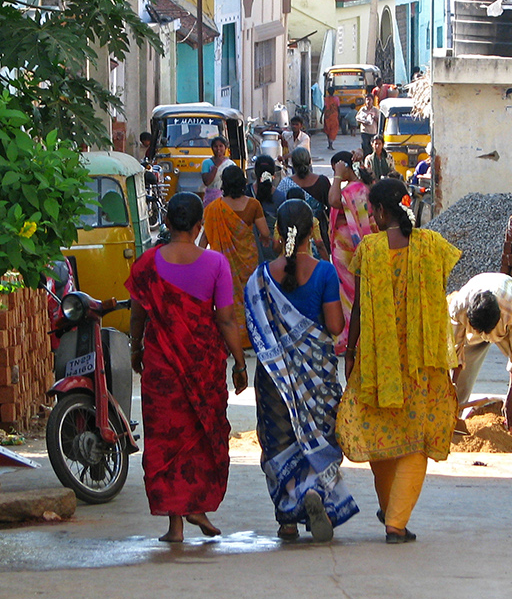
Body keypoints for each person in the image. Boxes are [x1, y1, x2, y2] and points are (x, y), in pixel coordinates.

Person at [336, 178, 461, 543]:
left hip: (379, 363)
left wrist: (351, 350)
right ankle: (395, 519)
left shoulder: (370, 249)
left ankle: (391, 508)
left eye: (373, 210)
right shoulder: (432, 246)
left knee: (379, 431)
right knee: (417, 439)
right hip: (423, 363)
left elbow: (357, 308)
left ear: (381, 211)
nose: (371, 216)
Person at [126, 192, 249, 543]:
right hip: (203, 365)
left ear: (165, 224)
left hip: (161, 368)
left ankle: (176, 524)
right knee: (200, 435)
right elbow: (226, 321)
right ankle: (196, 506)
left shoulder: (147, 264)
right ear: (198, 227)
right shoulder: (215, 264)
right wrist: (240, 364)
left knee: (166, 440)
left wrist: (136, 347)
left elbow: (138, 314)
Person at [245, 200, 358, 542]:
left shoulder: (260, 278)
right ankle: (314, 493)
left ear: (277, 232)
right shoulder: (324, 272)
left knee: (278, 441)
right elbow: (336, 326)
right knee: (320, 436)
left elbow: (255, 331)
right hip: (317, 375)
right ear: (313, 231)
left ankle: (287, 518)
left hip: (274, 378)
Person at [448, 273, 512, 451]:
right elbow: (455, 352)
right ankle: (451, 422)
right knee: (462, 373)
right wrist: (451, 391)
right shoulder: (458, 307)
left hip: (511, 300)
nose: (486, 338)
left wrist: (511, 400)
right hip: (474, 320)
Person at [202, 165, 271, 350]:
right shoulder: (253, 205)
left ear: (224, 183)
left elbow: (204, 240)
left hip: (223, 265)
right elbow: (265, 233)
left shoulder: (214, 208)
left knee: (228, 299)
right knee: (250, 298)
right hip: (248, 261)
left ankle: (232, 338)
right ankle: (251, 337)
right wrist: (266, 241)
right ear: (243, 181)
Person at [327, 151, 375, 354]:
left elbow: (333, 200)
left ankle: (350, 339)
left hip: (350, 251)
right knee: (351, 294)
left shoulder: (353, 190)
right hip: (348, 250)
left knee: (350, 295)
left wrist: (337, 176)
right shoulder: (359, 188)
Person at [277, 147, 331, 259]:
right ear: (310, 161)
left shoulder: (285, 183)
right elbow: (331, 208)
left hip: (293, 233)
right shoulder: (322, 181)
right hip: (318, 232)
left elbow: (280, 209)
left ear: (293, 164)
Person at [253, 154, 284, 233]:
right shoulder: (281, 197)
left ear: (255, 172)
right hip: (273, 242)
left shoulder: (245, 194)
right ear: (274, 174)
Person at [201, 135, 233, 204]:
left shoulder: (230, 164)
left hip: (226, 199)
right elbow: (207, 182)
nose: (218, 149)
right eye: (215, 146)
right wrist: (216, 166)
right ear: (212, 148)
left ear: (225, 148)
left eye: (221, 146)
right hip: (210, 199)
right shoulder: (206, 163)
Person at [356, 93, 380, 158]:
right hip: (364, 131)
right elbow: (357, 118)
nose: (368, 101)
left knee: (372, 147)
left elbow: (379, 120)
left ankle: (372, 159)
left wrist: (375, 118)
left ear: (372, 101)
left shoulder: (375, 110)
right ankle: (366, 160)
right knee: (365, 146)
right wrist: (363, 121)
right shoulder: (362, 109)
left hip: (373, 132)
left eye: (370, 100)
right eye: (367, 100)